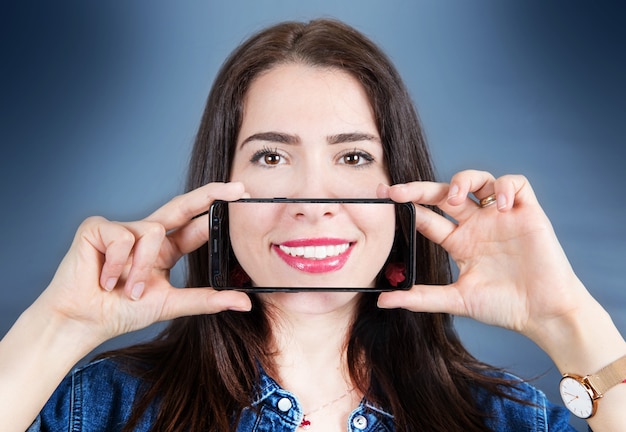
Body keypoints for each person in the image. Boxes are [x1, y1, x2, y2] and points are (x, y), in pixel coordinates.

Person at [0, 18, 624, 432]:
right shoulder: (101, 409)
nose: (313, 198)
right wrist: (58, 327)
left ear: (404, 187)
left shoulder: (507, 419)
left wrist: (564, 318)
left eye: (353, 157)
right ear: (217, 188)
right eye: (272, 156)